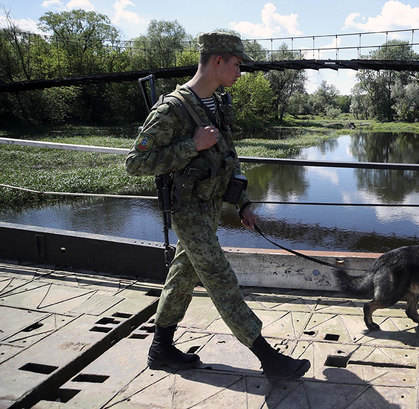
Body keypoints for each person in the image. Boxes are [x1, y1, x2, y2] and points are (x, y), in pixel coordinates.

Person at [125, 31, 310, 381]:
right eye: (238, 64)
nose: (241, 72)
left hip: (209, 207)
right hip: (187, 210)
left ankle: (161, 348)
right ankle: (269, 359)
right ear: (218, 60)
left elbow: (228, 156)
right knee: (220, 277)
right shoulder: (172, 109)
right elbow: (135, 163)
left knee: (182, 276)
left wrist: (241, 202)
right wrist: (191, 145)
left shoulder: (217, 102)